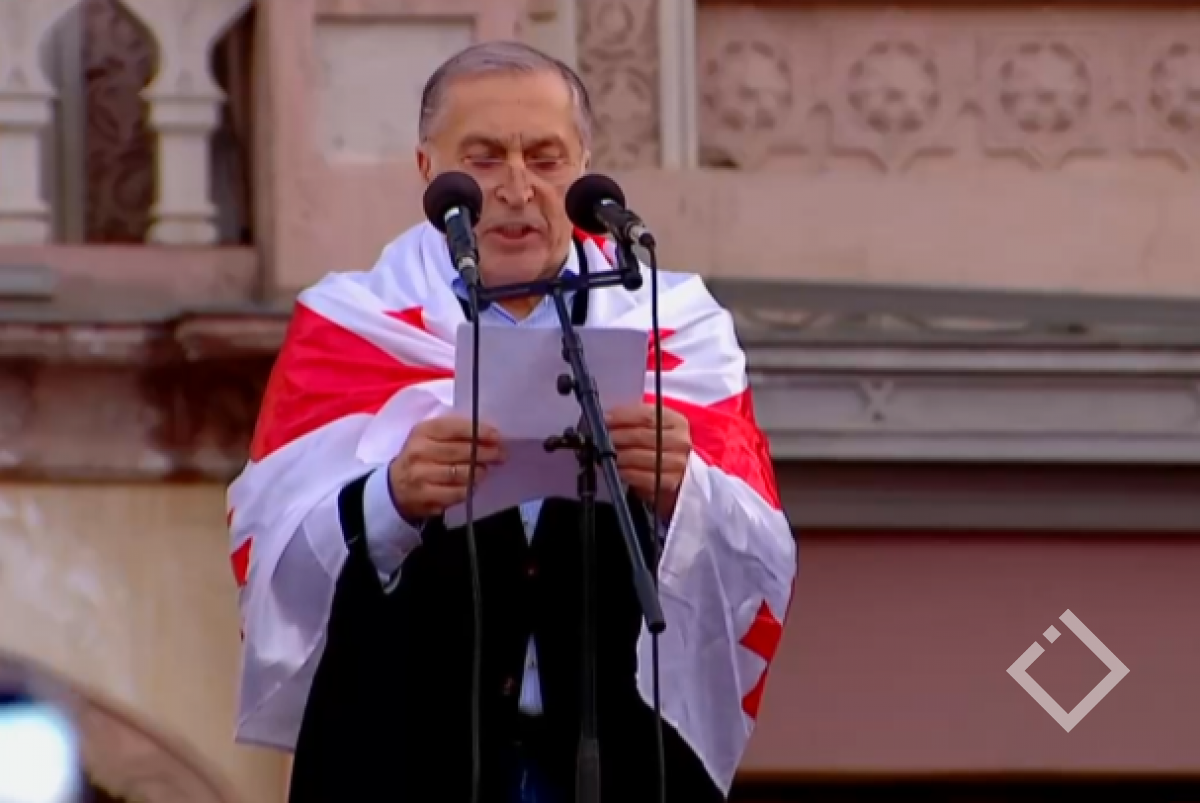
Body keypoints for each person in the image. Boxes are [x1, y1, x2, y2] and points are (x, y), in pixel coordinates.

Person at [227, 40, 797, 803]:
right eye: (485, 158)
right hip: (405, 759)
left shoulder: (677, 323)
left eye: (547, 158)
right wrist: (390, 500)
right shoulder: (352, 323)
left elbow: (760, 550)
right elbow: (269, 551)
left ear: (585, 165)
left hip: (619, 758)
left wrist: (681, 490)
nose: (519, 188)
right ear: (428, 168)